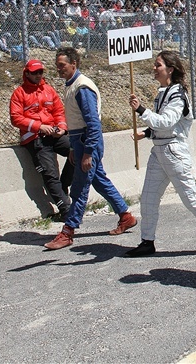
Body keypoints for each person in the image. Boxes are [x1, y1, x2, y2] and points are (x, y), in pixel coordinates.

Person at [126, 51, 196, 257]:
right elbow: (162, 125)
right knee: (148, 198)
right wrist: (146, 133)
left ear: (170, 69)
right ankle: (147, 241)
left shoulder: (178, 94)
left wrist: (141, 110)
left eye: (158, 65)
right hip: (160, 150)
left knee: (190, 197)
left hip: (174, 152)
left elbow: (166, 122)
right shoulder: (163, 91)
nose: (154, 69)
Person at [44, 47, 137, 250]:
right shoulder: (72, 85)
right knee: (99, 180)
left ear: (74, 64)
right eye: (57, 66)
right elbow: (76, 120)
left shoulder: (82, 88)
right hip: (79, 141)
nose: (58, 69)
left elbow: (93, 124)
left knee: (79, 187)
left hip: (87, 141)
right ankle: (125, 216)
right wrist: (72, 148)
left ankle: (68, 231)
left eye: (62, 65)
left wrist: (87, 152)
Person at [9, 59, 73, 220]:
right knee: (49, 173)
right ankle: (65, 209)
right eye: (35, 72)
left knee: (79, 151)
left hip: (54, 134)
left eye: (41, 72)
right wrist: (38, 127)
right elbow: (16, 118)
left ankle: (63, 185)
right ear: (27, 73)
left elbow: (59, 111)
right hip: (35, 138)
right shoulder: (19, 93)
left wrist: (62, 128)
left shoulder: (49, 90)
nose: (38, 75)